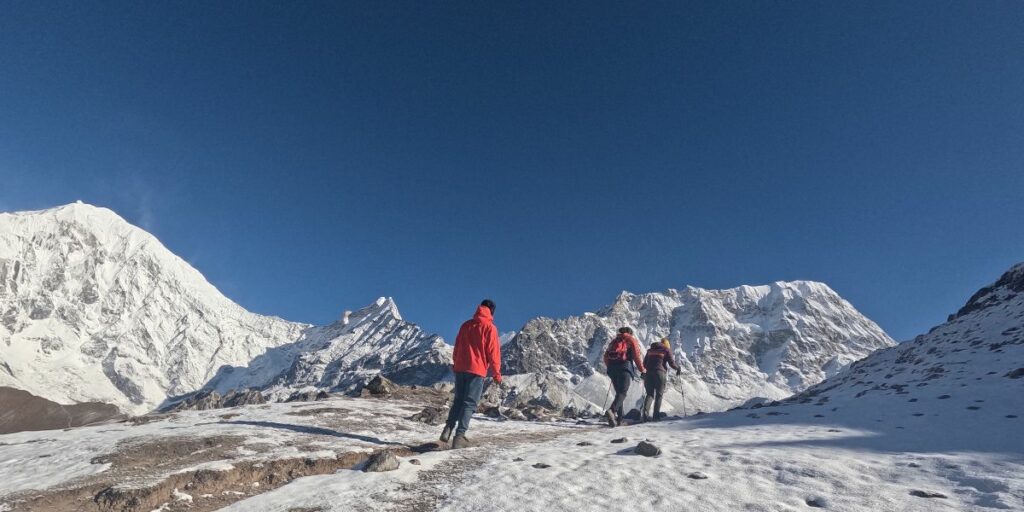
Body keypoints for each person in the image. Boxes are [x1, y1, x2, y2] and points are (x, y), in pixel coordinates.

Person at [441, 299, 502, 448]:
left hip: (460, 368)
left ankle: (447, 429)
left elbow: (457, 347)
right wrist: (496, 373)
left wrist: (456, 363)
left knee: (458, 401)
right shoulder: (490, 328)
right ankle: (459, 437)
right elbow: (493, 353)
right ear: (492, 312)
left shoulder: (466, 325)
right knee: (469, 403)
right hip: (477, 370)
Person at [603, 326, 645, 427]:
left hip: (612, 369)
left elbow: (605, 357)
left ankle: (619, 419)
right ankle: (612, 411)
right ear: (630, 333)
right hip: (624, 367)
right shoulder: (631, 339)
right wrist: (642, 370)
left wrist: (610, 367)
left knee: (619, 393)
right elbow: (636, 356)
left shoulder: (614, 341)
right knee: (622, 392)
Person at [642, 337, 681, 422]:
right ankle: (656, 417)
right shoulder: (666, 350)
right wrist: (678, 368)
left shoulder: (649, 350)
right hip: (660, 373)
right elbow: (671, 363)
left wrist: (645, 372)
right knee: (659, 395)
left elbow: (644, 364)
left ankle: (645, 415)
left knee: (649, 394)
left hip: (648, 374)